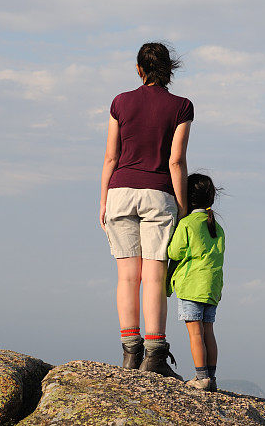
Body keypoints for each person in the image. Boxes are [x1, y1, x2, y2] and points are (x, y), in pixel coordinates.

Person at [99, 42, 193, 380]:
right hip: (158, 193)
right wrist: (181, 206)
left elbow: (111, 157)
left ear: (139, 69)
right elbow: (176, 161)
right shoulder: (181, 107)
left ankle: (130, 353)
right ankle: (154, 358)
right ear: (170, 70)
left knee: (127, 276)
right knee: (153, 275)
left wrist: (103, 200)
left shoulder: (120, 102)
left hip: (119, 192)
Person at [167, 173, 225, 391]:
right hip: (212, 287)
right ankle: (212, 377)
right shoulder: (217, 227)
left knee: (195, 333)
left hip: (191, 286)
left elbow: (175, 251)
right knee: (208, 331)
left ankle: (201, 378)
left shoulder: (187, 224)